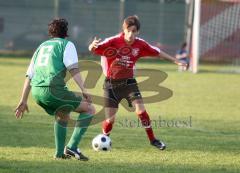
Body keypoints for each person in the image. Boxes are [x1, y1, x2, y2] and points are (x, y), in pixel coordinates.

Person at [88, 15, 187, 150]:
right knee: (110, 120)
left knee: (141, 111)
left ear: (137, 32)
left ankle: (153, 140)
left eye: (134, 31)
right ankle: (104, 138)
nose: (130, 34)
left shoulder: (140, 44)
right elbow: (95, 49)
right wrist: (91, 46)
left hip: (129, 83)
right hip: (111, 84)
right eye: (128, 31)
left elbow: (158, 52)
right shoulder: (113, 41)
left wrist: (176, 61)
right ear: (124, 30)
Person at [15, 18, 95, 160]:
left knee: (62, 114)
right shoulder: (66, 44)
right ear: (66, 32)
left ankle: (59, 155)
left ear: (50, 32)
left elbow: (29, 75)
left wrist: (23, 100)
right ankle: (72, 147)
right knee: (89, 109)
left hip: (37, 92)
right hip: (53, 90)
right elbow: (73, 69)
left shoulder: (42, 46)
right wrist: (85, 90)